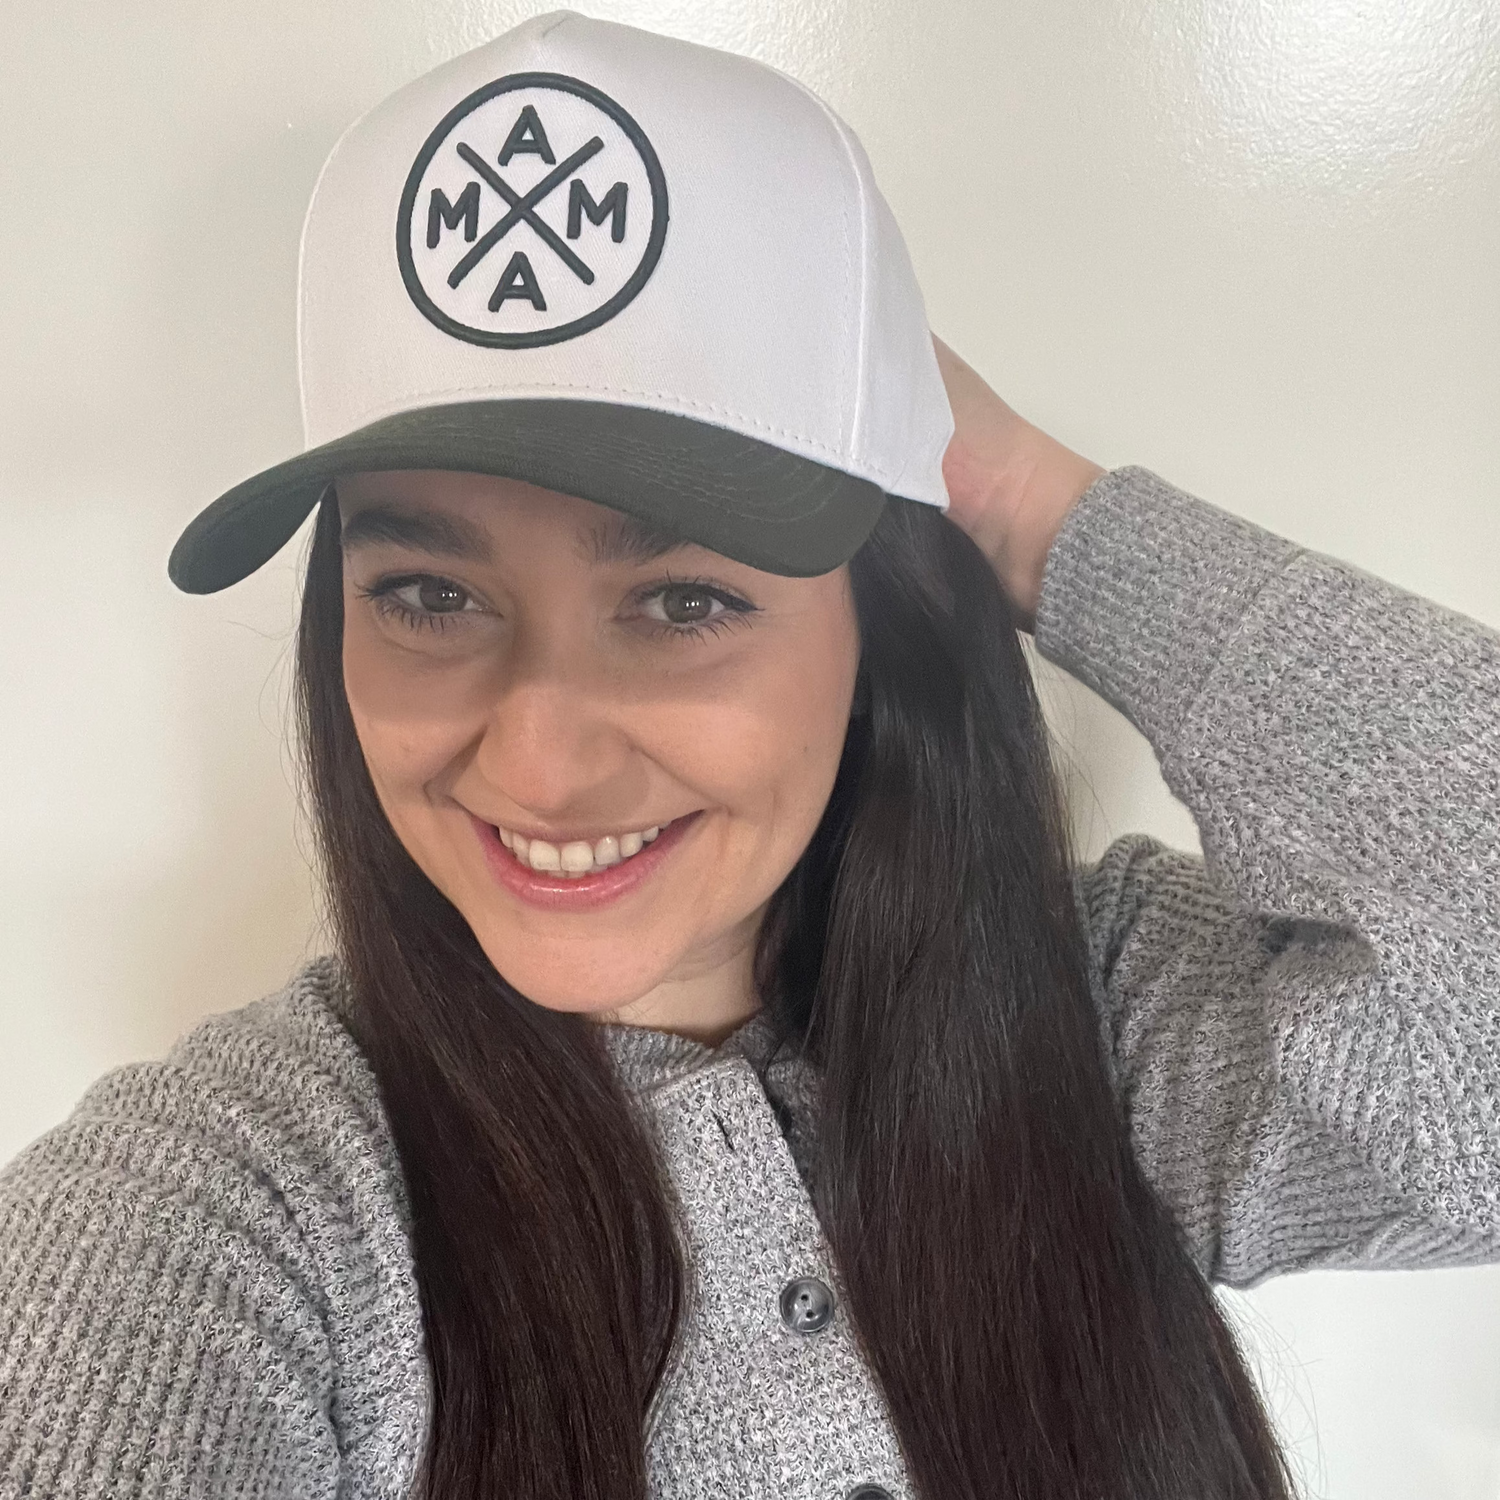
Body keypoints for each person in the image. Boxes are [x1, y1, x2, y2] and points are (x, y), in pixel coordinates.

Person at [1, 12, 1496, 1500]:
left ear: (883, 623)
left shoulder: (1103, 1020)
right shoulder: (223, 1205)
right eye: (430, 594)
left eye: (684, 600)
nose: (536, 759)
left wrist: (1032, 509)